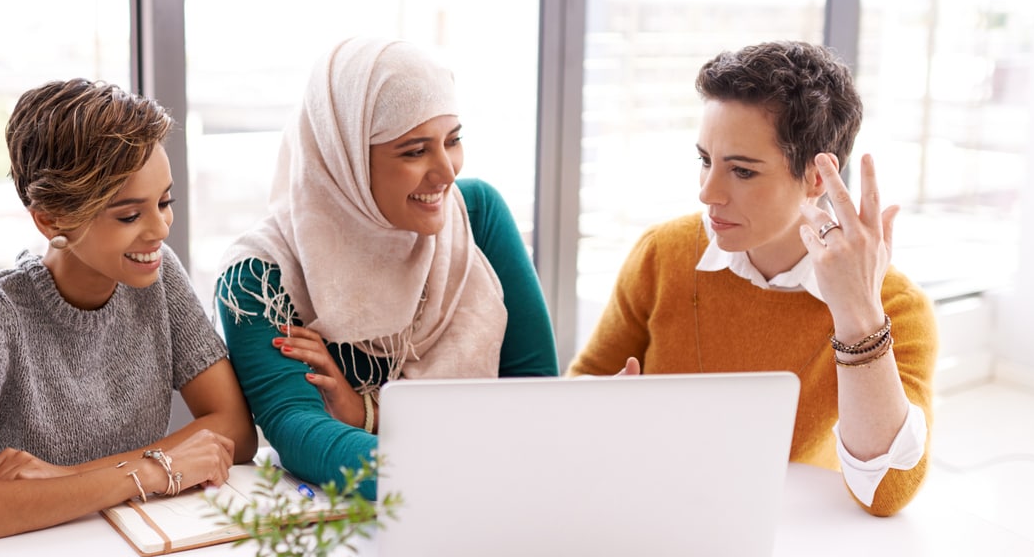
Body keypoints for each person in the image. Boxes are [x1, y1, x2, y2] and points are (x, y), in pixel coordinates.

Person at [0, 78, 257, 557]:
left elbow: (234, 430)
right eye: (129, 214)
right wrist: (151, 472)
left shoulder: (160, 277)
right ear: (52, 219)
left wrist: (66, 480)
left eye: (164, 201)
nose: (160, 229)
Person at [569, 40, 937, 517]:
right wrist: (601, 414)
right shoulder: (664, 253)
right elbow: (582, 392)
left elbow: (885, 495)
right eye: (706, 160)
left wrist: (857, 315)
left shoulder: (894, 306)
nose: (708, 193)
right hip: (653, 511)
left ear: (816, 178)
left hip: (787, 540)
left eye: (741, 171)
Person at [216, 37, 558, 498]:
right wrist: (467, 472)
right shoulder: (261, 276)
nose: (446, 171)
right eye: (415, 151)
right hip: (343, 533)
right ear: (346, 159)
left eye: (453, 141)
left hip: (490, 508)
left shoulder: (476, 216)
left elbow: (533, 394)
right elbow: (299, 430)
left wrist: (366, 415)